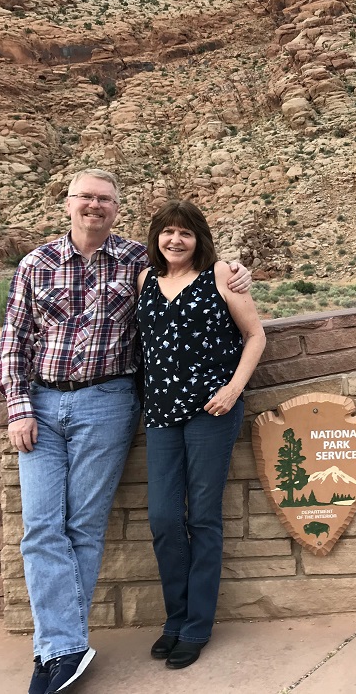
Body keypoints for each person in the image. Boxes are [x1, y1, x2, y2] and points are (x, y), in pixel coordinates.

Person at [0, 169, 251, 694]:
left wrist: (237, 271)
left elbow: (215, 282)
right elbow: (13, 340)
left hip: (113, 403)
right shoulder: (37, 263)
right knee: (44, 528)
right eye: (85, 197)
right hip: (49, 404)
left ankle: (95, 645)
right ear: (68, 203)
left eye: (105, 199)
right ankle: (61, 646)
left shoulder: (137, 260)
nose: (94, 206)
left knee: (90, 526)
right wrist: (18, 407)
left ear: (116, 208)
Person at [136, 200, 265, 669]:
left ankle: (196, 626)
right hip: (161, 411)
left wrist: (233, 389)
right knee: (164, 518)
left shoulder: (221, 275)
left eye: (185, 232)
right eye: (167, 232)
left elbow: (255, 335)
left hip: (212, 410)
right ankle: (175, 618)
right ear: (157, 237)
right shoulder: (144, 280)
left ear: (199, 239)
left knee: (204, 518)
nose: (176, 240)